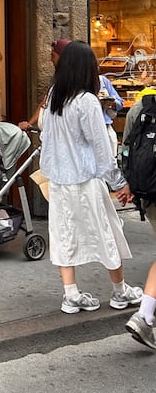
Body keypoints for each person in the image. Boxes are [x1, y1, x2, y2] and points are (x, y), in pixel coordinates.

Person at [39, 40, 142, 314]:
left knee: (63, 235)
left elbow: (46, 138)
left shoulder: (54, 96)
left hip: (59, 180)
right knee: (106, 232)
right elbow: (101, 149)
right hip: (86, 179)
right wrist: (120, 183)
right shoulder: (86, 101)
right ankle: (120, 291)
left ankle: (71, 295)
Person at [121, 86, 156, 350]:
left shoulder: (141, 106)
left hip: (150, 192)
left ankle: (145, 315)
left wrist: (128, 183)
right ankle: (144, 316)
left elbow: (127, 150)